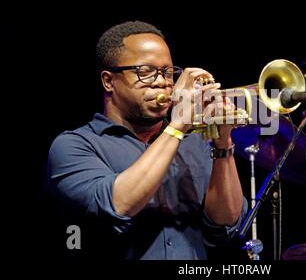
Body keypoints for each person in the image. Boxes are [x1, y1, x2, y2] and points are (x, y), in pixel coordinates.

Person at [47, 20, 248, 260]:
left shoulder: (194, 145)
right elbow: (118, 206)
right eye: (146, 72)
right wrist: (178, 124)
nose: (162, 81)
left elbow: (225, 224)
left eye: (167, 72)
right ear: (109, 81)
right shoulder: (75, 146)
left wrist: (223, 142)